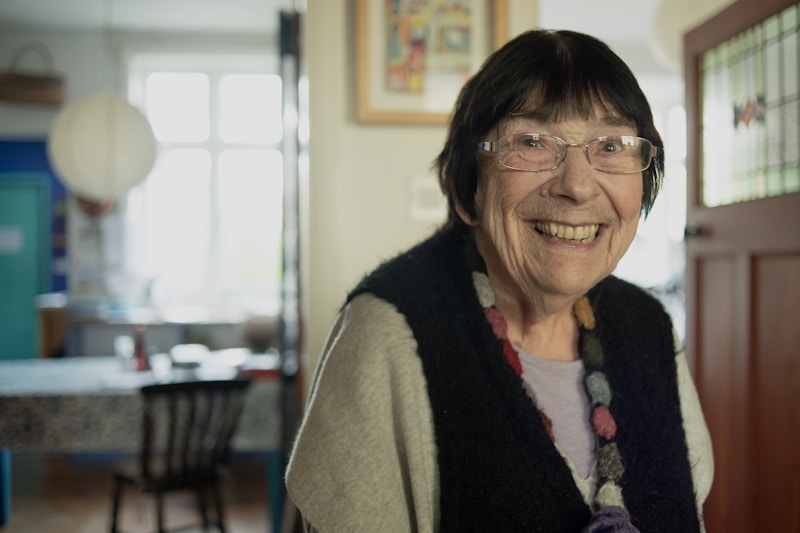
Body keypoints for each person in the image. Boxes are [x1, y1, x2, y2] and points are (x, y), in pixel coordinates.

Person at [285, 29, 713, 532]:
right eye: (531, 141)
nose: (577, 185)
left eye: (611, 145)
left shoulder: (649, 328)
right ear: (470, 183)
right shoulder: (388, 332)